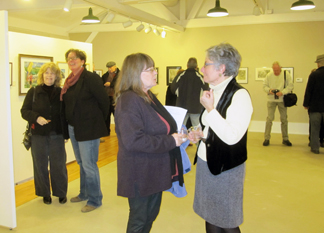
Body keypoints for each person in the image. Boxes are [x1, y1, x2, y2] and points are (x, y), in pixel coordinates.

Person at [114, 53, 186, 233]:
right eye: (150, 69)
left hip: (154, 168)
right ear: (135, 73)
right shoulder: (129, 100)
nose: (155, 73)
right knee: (140, 219)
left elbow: (161, 125)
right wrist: (171, 140)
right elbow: (133, 140)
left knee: (150, 215)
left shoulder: (147, 96)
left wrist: (180, 135)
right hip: (140, 170)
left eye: (154, 69)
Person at [188, 43, 253, 233]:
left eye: (206, 64)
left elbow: (232, 136)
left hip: (226, 167)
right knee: (210, 216)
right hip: (206, 162)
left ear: (221, 68)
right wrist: (200, 132)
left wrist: (210, 108)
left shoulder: (239, 95)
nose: (201, 69)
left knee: (226, 219)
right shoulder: (214, 90)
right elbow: (211, 125)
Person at [61, 48, 109, 213]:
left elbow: (104, 101)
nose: (71, 60)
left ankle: (95, 200)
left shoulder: (91, 78)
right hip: (73, 127)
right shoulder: (69, 80)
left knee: (89, 164)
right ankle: (84, 193)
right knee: (81, 163)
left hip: (88, 128)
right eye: (69, 59)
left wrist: (98, 123)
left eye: (74, 58)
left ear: (82, 61)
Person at [21, 62, 68, 205]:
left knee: (58, 165)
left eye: (52, 73)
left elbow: (65, 115)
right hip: (38, 135)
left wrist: (65, 134)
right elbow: (24, 111)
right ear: (42, 75)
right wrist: (36, 117)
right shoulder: (34, 92)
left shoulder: (61, 92)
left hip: (56, 134)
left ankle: (60, 192)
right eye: (46, 73)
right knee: (40, 165)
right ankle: (44, 193)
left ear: (56, 76)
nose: (49, 76)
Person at [170, 57, 209, 127]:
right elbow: (206, 89)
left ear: (187, 65)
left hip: (181, 106)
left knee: (180, 127)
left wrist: (179, 94)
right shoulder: (200, 77)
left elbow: (173, 88)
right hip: (196, 107)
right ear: (196, 66)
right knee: (197, 128)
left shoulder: (180, 75)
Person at [262, 62, 294, 146]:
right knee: (269, 119)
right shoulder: (269, 75)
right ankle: (266, 138)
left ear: (280, 68)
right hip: (271, 100)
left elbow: (290, 86)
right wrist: (269, 90)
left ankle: (285, 138)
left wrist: (282, 92)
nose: (276, 72)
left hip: (282, 100)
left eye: (277, 70)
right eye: (274, 70)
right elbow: (264, 86)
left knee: (284, 119)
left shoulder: (285, 74)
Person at [303, 54, 324, 154]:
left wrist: (306, 103)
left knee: (315, 128)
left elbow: (309, 91)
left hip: (315, 106)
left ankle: (315, 148)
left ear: (319, 64)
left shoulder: (314, 75)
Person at [102, 61, 120, 136]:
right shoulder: (105, 76)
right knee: (106, 116)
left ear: (115, 66)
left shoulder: (120, 75)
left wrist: (111, 84)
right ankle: (106, 132)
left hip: (116, 98)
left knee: (117, 116)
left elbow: (120, 84)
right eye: (108, 68)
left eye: (111, 67)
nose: (110, 69)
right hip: (107, 98)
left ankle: (119, 132)